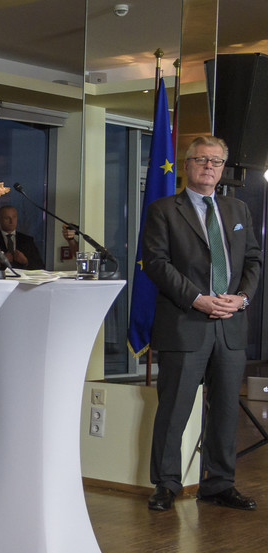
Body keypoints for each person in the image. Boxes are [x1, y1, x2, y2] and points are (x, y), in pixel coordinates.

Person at [142, 135, 261, 512]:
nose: (209, 166)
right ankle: (166, 484)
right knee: (174, 410)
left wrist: (241, 298)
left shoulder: (238, 209)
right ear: (187, 165)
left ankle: (219, 484)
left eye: (216, 161)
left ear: (223, 169)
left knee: (225, 411)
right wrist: (197, 298)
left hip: (230, 324)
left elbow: (254, 260)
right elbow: (156, 263)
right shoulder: (163, 209)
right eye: (201, 160)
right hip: (185, 322)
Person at [0, 205, 43, 270]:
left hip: (22, 275)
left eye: (14, 217)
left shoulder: (27, 240)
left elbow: (40, 265)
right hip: (1, 275)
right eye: (7, 218)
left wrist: (26, 261)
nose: (11, 221)